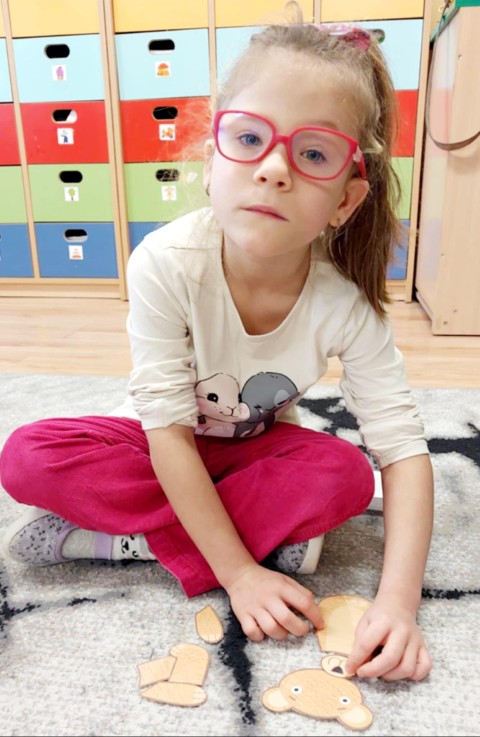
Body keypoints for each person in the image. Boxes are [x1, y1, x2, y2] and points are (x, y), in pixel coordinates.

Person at [0, 3, 434, 682]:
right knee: (28, 455)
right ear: (211, 162)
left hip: (248, 453)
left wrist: (399, 605)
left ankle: (127, 542)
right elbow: (167, 433)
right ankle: (245, 540)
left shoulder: (344, 303)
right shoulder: (166, 262)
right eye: (249, 138)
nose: (274, 169)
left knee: (346, 476)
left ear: (346, 201)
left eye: (313, 153)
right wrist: (238, 573)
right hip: (158, 443)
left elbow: (402, 448)